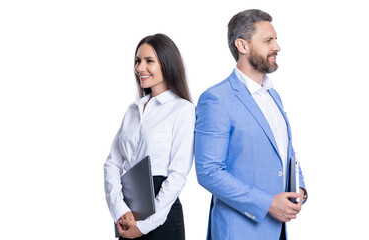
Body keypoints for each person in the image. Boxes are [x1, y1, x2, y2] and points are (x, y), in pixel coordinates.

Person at [194, 9, 308, 239]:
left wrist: (300, 188)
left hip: (276, 230)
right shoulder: (217, 98)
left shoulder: (274, 96)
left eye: (275, 39)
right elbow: (209, 172)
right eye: (268, 40)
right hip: (238, 231)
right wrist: (267, 203)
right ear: (242, 46)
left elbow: (285, 152)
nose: (277, 47)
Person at [104, 33, 195, 240]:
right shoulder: (132, 110)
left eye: (149, 61)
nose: (140, 68)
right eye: (138, 61)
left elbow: (178, 174)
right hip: (128, 212)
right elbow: (112, 163)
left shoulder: (183, 110)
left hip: (162, 214)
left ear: (167, 63)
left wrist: (146, 225)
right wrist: (119, 209)